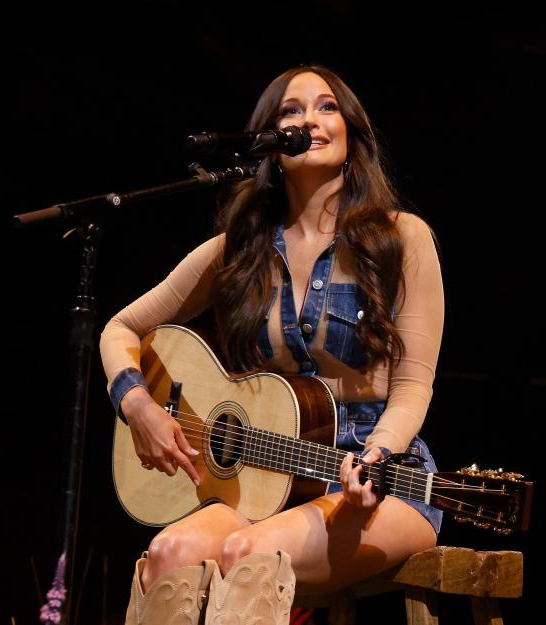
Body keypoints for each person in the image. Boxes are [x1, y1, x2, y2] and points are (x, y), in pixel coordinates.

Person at [99, 64, 445, 625]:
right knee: (170, 555)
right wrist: (137, 405)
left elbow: (413, 384)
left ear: (352, 131)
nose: (309, 119)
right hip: (267, 477)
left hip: (378, 477)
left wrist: (377, 456)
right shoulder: (236, 250)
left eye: (327, 107)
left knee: (247, 555)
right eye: (291, 110)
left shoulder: (402, 237)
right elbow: (120, 328)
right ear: (268, 141)